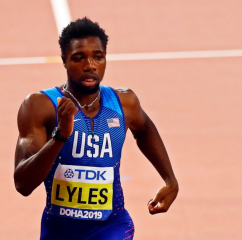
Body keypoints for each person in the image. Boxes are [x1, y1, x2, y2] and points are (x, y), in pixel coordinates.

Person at [14, 17, 179, 240]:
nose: (90, 65)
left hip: (112, 226)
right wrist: (60, 137)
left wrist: (169, 180)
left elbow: (145, 129)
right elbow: (23, 184)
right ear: (64, 60)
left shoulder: (124, 103)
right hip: (59, 232)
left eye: (98, 57)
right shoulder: (40, 106)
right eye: (79, 58)